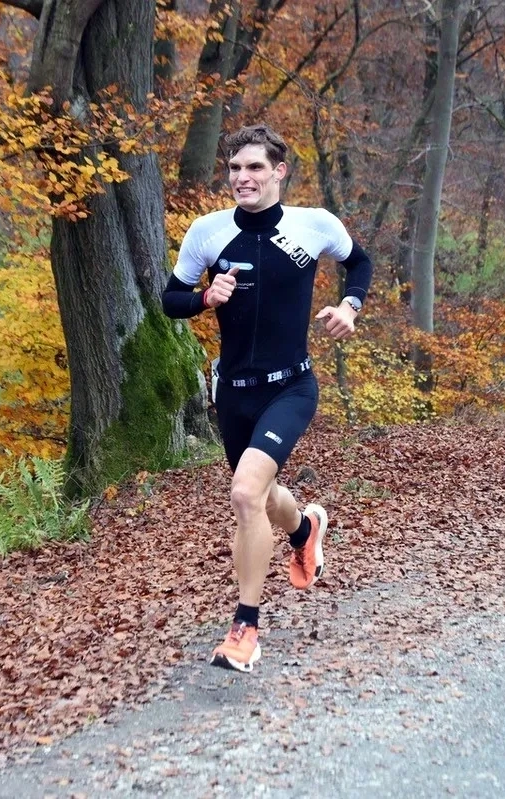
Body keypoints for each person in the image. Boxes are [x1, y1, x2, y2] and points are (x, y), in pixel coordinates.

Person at [161, 124, 372, 673]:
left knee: (243, 492)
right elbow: (169, 299)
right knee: (260, 493)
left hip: (290, 386)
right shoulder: (208, 232)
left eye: (253, 167)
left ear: (278, 172)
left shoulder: (313, 225)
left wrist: (349, 306)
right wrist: (205, 296)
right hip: (232, 391)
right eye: (233, 168)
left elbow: (360, 262)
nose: (241, 177)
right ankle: (306, 530)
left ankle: (245, 629)